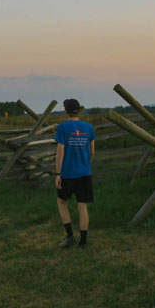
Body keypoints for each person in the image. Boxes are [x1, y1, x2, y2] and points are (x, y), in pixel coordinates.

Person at [55, 98, 95, 249]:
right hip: (84, 173)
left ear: (66, 111)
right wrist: (86, 165)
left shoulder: (63, 127)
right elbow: (92, 151)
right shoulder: (89, 127)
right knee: (82, 206)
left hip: (67, 174)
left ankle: (70, 237)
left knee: (61, 202)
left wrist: (58, 173)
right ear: (79, 110)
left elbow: (60, 152)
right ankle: (83, 242)